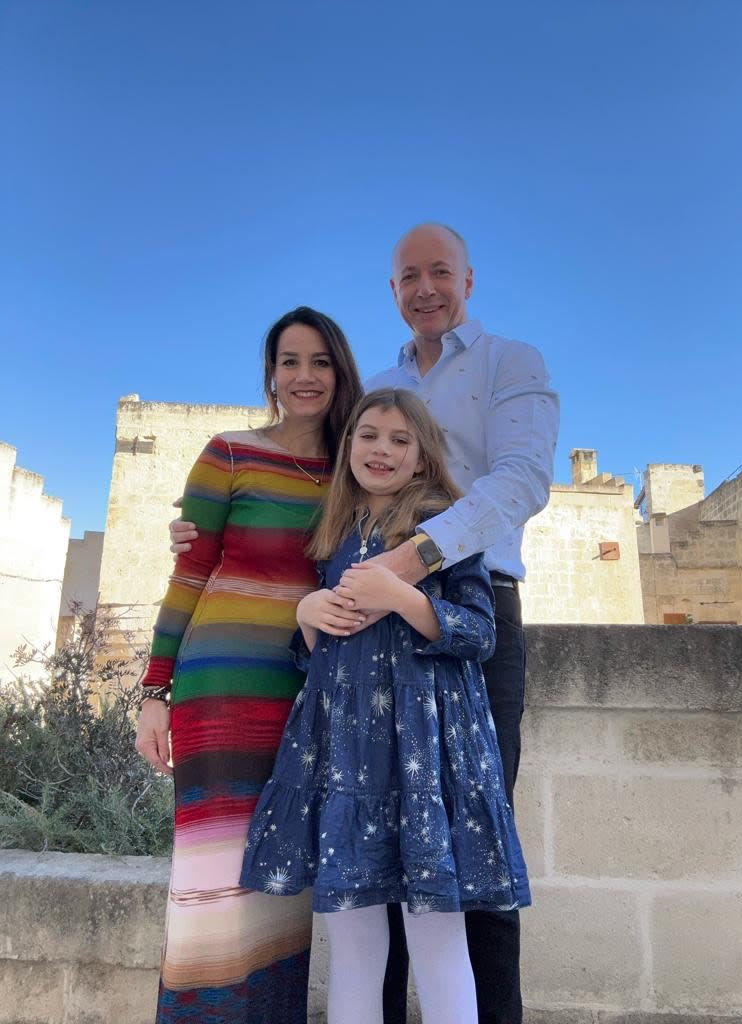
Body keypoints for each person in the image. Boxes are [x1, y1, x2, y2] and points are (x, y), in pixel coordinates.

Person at [171, 223, 560, 1023]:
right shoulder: (378, 385)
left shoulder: (510, 362)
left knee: (465, 867)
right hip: (354, 647)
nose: (426, 288)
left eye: (440, 272)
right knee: (364, 884)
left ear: (468, 279)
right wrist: (199, 534)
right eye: (409, 275)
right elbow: (325, 481)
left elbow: (521, 480)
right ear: (392, 290)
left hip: (458, 618)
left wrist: (410, 563)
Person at [240, 388, 531, 1024]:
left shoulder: (445, 531)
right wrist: (306, 615)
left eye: (401, 440)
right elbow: (314, 652)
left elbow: (480, 634)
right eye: (369, 435)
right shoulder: (334, 531)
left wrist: (402, 595)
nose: (382, 449)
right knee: (353, 943)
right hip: (347, 756)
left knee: (437, 937)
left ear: (423, 456)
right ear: (348, 447)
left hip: (425, 753)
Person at [135, 306, 363, 1024]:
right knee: (210, 877)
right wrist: (153, 692)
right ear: (271, 375)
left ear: (340, 371)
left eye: (320, 361)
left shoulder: (357, 468)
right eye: (289, 361)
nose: (304, 376)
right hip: (220, 686)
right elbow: (190, 574)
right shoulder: (227, 452)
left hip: (305, 694)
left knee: (280, 878)